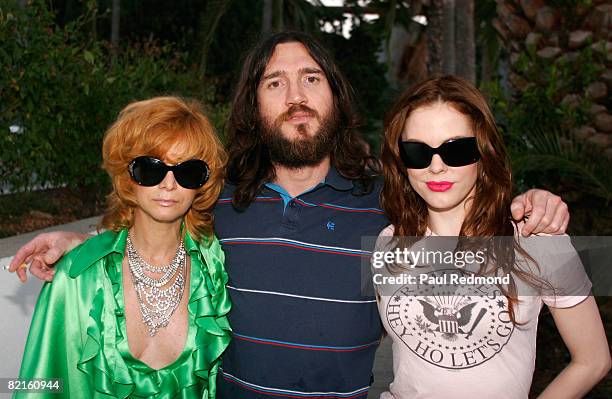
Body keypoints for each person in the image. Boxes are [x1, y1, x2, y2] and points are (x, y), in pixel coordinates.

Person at [10, 32, 570, 398]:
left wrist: (535, 204)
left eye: (311, 79)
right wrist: (78, 240)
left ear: (336, 96)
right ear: (254, 107)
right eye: (274, 83)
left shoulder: (391, 203)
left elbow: (469, 202)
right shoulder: (217, 196)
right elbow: (155, 217)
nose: (295, 95)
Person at [374, 76, 610, 398]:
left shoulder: (537, 239)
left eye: (456, 150)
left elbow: (593, 360)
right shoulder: (388, 242)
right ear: (401, 162)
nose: (436, 166)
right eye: (417, 152)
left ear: (483, 153)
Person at [14, 97, 231, 398]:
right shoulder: (76, 280)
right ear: (128, 177)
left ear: (202, 184)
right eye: (150, 168)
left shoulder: (217, 269)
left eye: (188, 171)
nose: (169, 183)